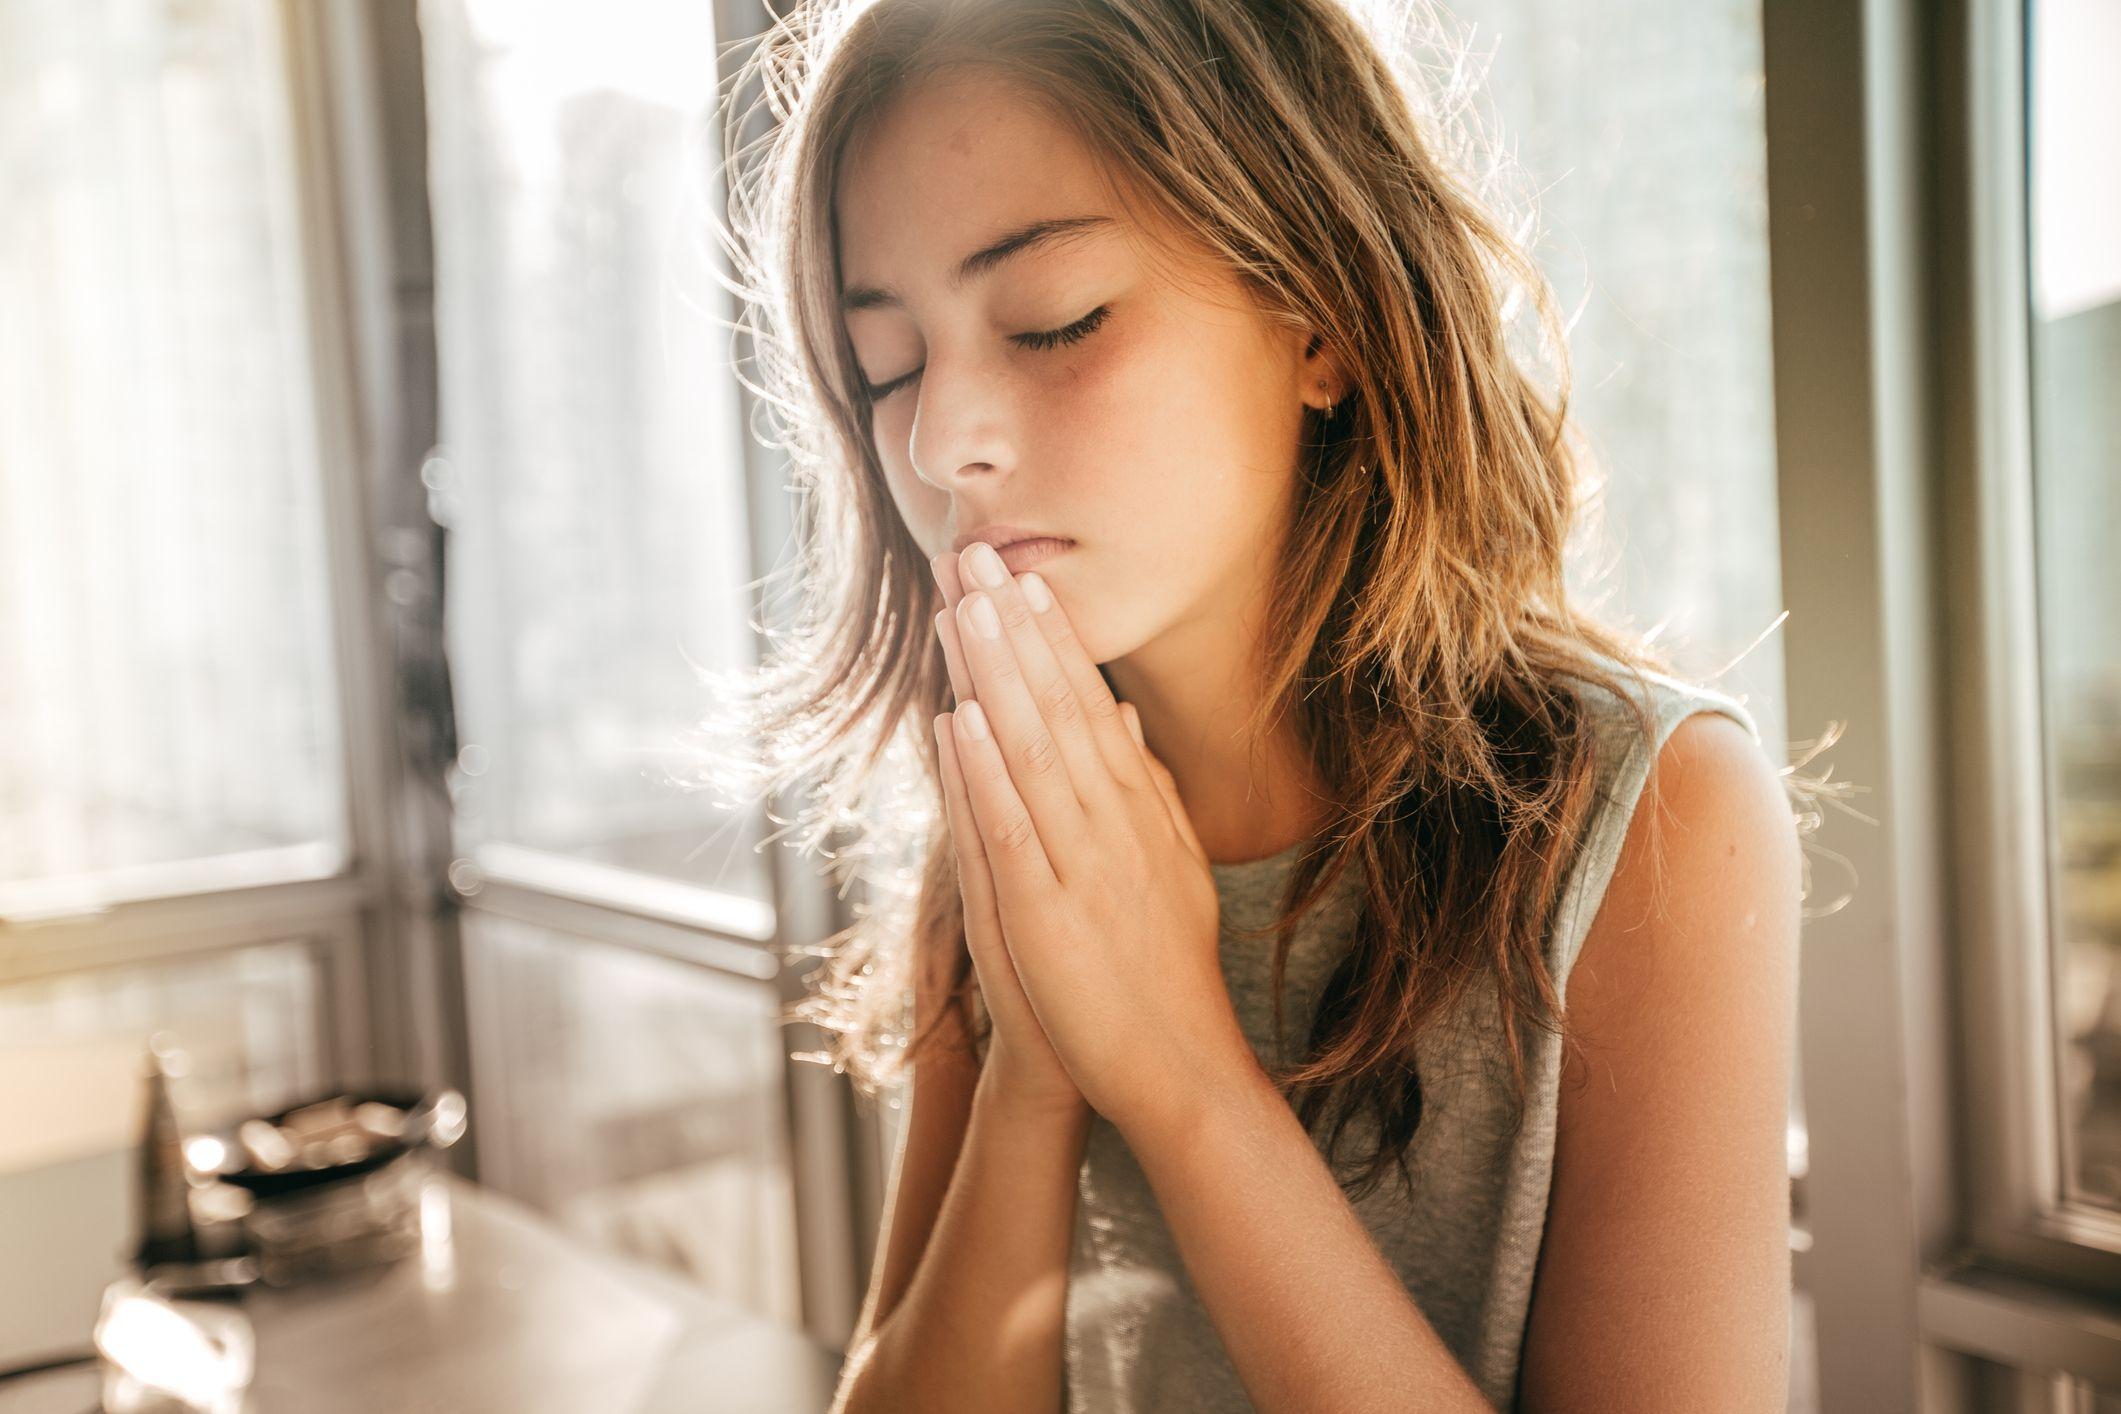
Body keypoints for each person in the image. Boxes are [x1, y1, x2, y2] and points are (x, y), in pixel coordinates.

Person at [693, 1, 1817, 1408]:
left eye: (1054, 322)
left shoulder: (1654, 822)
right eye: (889, 366)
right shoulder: (1016, 830)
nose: (939, 436)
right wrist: (1036, 1068)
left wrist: (1175, 1068)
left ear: (1320, 317)